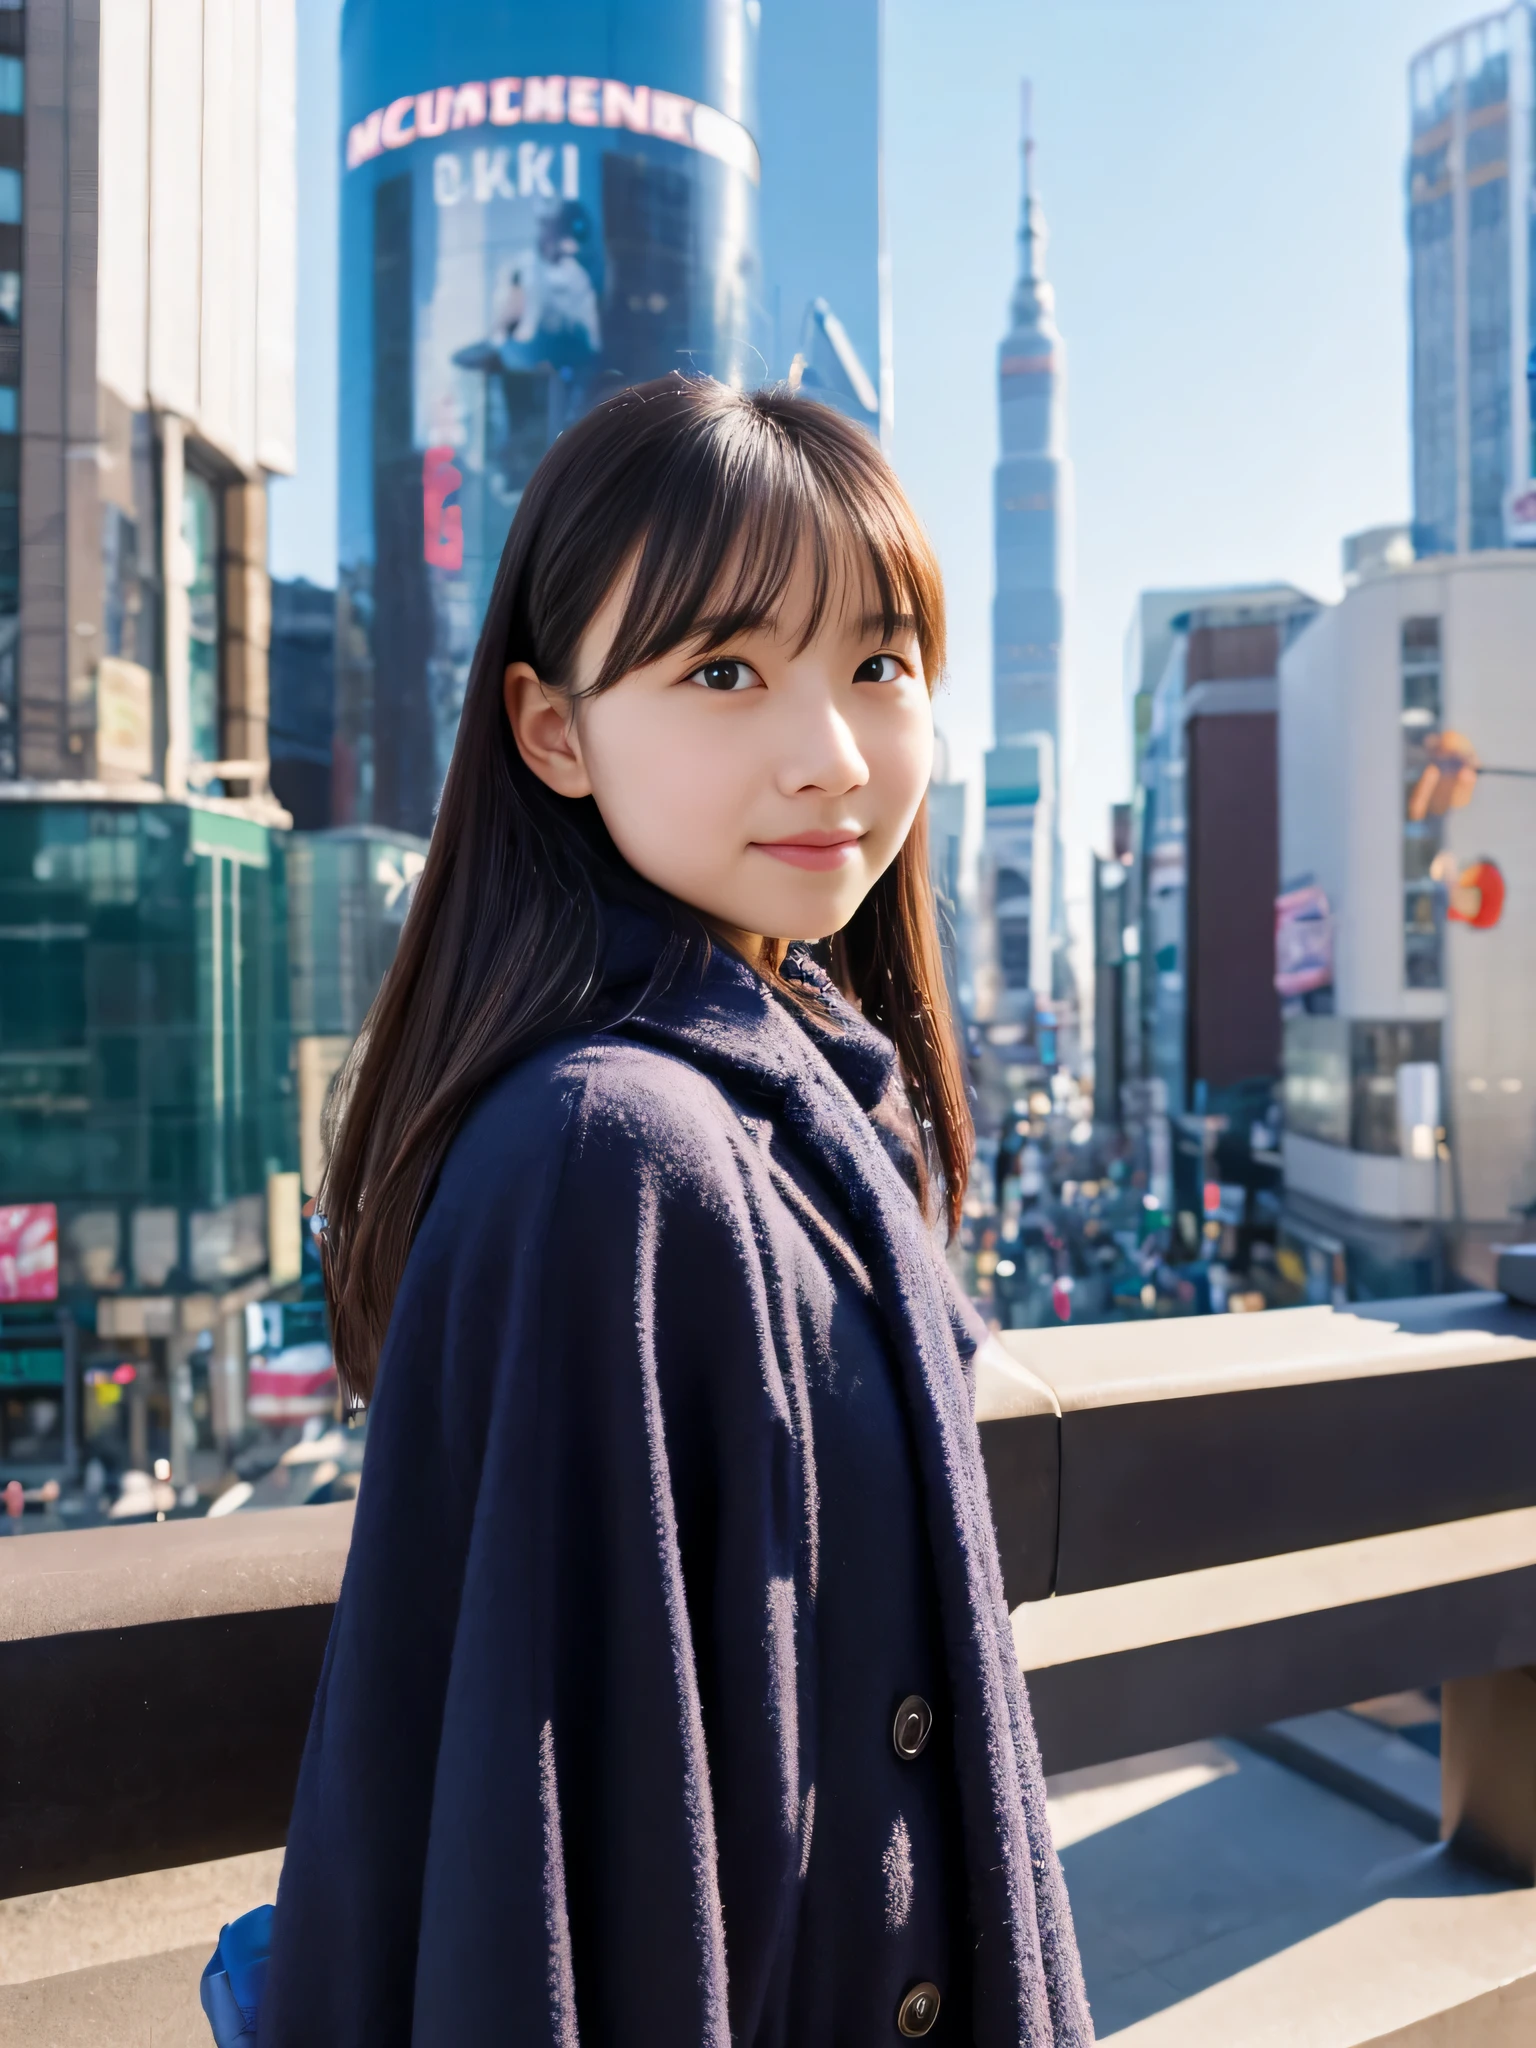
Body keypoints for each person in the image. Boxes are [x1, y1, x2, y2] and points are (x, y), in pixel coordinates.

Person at [251, 377, 1090, 2045]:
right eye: (724, 672)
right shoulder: (609, 1148)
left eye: (878, 665)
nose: (834, 753)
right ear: (551, 729)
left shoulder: (801, 1094)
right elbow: (537, 1868)